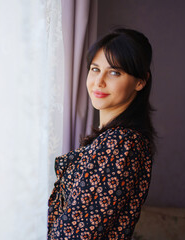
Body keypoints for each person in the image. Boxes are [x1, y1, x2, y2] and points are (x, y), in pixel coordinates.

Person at [47, 28, 156, 239]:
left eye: (115, 72)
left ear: (140, 81)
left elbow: (75, 234)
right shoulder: (116, 140)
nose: (99, 81)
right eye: (95, 69)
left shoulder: (119, 144)